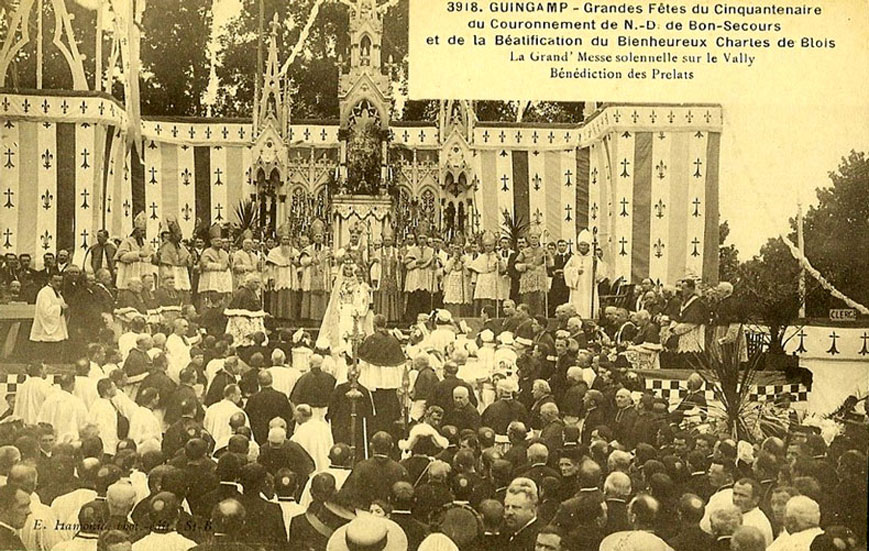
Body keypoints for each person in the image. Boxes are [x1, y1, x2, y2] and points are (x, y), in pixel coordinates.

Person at [36, 373, 88, 442]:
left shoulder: (48, 401)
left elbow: (40, 422)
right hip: (70, 444)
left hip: (50, 443)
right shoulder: (77, 403)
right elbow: (84, 426)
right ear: (73, 385)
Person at [299, 219, 332, 321]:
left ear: (323, 237)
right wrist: (311, 260)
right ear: (313, 237)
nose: (318, 238)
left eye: (320, 236)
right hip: (310, 276)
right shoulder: (308, 249)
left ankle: (322, 318)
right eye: (316, 236)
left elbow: (332, 263)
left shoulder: (327, 250)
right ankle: (309, 318)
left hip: (323, 276)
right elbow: (302, 261)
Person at [30, 273, 69, 359]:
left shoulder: (57, 293)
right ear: (50, 280)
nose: (58, 283)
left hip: (57, 328)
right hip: (45, 329)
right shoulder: (44, 292)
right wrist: (60, 308)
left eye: (60, 281)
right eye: (56, 281)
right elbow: (45, 311)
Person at [115, 212, 156, 290]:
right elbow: (122, 257)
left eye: (144, 231)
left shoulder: (147, 243)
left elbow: (152, 257)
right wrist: (138, 254)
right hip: (130, 273)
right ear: (135, 230)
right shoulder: (127, 242)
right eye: (141, 231)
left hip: (144, 272)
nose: (143, 233)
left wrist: (154, 256)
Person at [224, 274, 266, 348]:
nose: (258, 285)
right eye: (255, 282)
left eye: (259, 283)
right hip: (242, 320)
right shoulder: (243, 293)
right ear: (248, 282)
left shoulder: (252, 292)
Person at [290, 404, 334, 472]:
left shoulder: (302, 430)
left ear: (300, 416)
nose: (295, 419)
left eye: (296, 416)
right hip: (325, 463)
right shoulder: (323, 426)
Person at [564, 231, 595, 318]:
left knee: (587, 306)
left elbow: (601, 273)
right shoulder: (574, 257)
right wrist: (576, 271)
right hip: (577, 287)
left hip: (588, 288)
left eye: (585, 245)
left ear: (588, 246)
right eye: (581, 245)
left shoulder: (593, 258)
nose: (583, 247)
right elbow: (566, 269)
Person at [0, 483, 31, 551]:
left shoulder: (10, 537)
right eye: (22, 507)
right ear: (4, 509)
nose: (29, 511)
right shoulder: (6, 541)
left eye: (28, 505)